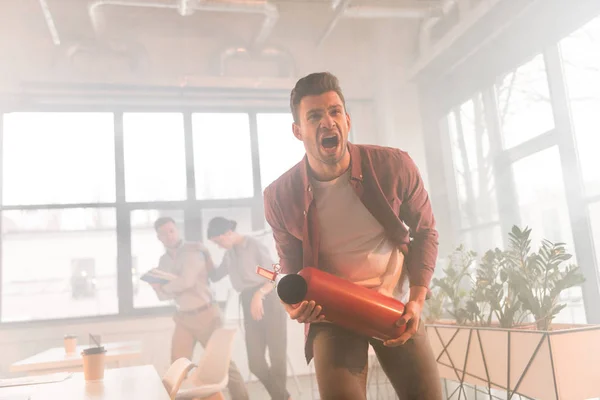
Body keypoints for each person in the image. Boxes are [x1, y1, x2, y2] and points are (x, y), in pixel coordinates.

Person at [263, 72, 443, 400]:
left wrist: (416, 300)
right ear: (297, 131)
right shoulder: (279, 196)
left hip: (396, 304)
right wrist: (293, 305)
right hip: (332, 312)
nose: (327, 122)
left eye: (334, 112)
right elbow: (291, 268)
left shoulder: (394, 165)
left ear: (347, 120)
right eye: (314, 116)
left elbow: (426, 232)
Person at [150, 217, 249, 400]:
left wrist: (164, 287)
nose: (169, 236)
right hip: (184, 318)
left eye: (171, 230)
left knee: (224, 365)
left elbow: (187, 281)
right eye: (164, 233)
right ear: (158, 237)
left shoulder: (193, 250)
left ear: (177, 230)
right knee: (177, 369)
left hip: (206, 315)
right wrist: (158, 289)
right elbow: (164, 296)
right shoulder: (163, 261)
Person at [207, 217, 291, 400]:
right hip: (248, 301)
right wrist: (203, 256)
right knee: (255, 362)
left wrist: (259, 294)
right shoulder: (229, 254)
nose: (219, 247)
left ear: (228, 233)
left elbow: (272, 275)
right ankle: (284, 397)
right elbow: (215, 276)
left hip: (267, 299)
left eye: (219, 242)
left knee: (277, 358)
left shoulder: (252, 246)